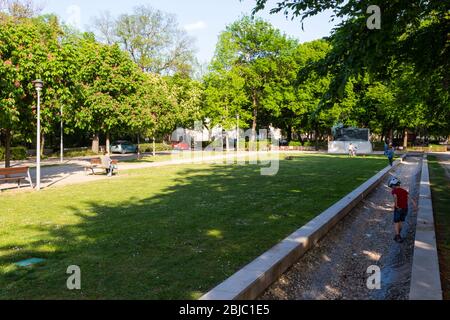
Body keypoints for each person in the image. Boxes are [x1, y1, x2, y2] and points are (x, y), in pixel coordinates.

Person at [388, 177, 417, 243]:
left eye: (391, 186)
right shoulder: (404, 190)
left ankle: (398, 236)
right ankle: (397, 234)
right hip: (405, 208)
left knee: (396, 222)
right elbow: (410, 197)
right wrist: (414, 204)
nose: (392, 188)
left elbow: (395, 197)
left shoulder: (394, 191)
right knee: (401, 221)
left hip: (398, 208)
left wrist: (396, 205)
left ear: (393, 185)